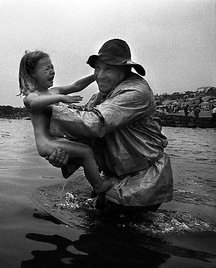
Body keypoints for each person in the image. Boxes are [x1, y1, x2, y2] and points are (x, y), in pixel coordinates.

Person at [47, 39, 173, 215]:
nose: (100, 75)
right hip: (112, 179)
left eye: (109, 69)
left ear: (125, 70)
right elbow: (82, 138)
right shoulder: (98, 99)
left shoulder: (136, 91)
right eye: (98, 68)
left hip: (144, 181)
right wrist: (63, 156)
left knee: (119, 235)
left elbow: (95, 124)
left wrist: (44, 108)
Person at [19, 50, 116, 194]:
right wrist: (61, 98)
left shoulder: (54, 91)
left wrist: (95, 76)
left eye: (52, 67)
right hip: (46, 143)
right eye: (46, 69)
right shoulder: (33, 95)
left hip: (55, 139)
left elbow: (75, 86)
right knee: (86, 151)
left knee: (86, 148)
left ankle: (79, 170)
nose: (52, 71)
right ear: (33, 74)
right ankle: (98, 185)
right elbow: (33, 103)